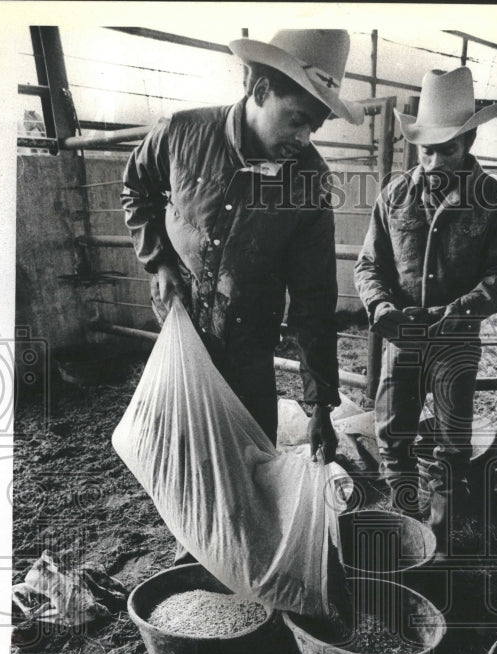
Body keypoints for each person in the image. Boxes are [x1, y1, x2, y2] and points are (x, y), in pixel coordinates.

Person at [121, 28, 363, 564]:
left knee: (249, 456)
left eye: (315, 126)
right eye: (297, 118)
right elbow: (136, 187)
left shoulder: (309, 182)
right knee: (184, 447)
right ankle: (195, 543)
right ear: (258, 87)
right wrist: (159, 261)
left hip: (249, 338)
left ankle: (242, 554)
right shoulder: (182, 133)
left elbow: (312, 296)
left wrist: (320, 403)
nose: (305, 137)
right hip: (181, 332)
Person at [355, 66, 497, 549]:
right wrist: (381, 306)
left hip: (455, 343)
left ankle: (440, 540)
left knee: (451, 446)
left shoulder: (495, 202)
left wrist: (463, 310)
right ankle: (406, 529)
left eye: (445, 149)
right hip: (401, 337)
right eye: (425, 149)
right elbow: (369, 265)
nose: (432, 161)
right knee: (393, 437)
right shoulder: (394, 196)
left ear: (467, 145)